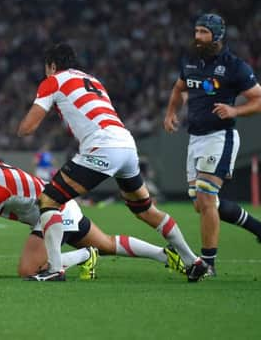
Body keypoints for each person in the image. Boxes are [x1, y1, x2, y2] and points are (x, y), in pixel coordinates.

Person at [16, 43, 199, 282]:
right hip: (126, 144)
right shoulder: (93, 80)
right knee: (146, 210)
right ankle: (192, 260)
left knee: (49, 199)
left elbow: (27, 128)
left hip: (102, 147)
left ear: (51, 66)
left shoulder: (53, 80)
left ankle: (55, 269)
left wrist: (21, 128)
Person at [0, 157, 186, 278]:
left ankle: (85, 256)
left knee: (29, 270)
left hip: (50, 215)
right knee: (107, 244)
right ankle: (166, 255)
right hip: (63, 205)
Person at [164, 13, 261, 279]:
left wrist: (235, 110)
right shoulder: (192, 62)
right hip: (195, 139)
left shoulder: (235, 66)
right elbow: (178, 88)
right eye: (196, 31)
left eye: (204, 32)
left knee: (206, 198)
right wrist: (171, 112)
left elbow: (258, 99)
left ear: (217, 35)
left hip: (220, 137)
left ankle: (208, 263)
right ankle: (257, 228)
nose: (197, 37)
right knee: (203, 204)